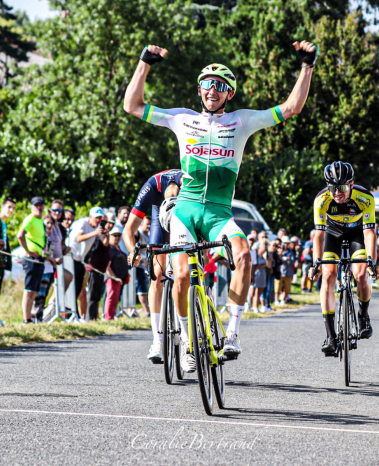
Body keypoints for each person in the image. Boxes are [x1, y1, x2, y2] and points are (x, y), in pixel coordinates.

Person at [124, 39, 315, 366]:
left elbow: (291, 108)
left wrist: (307, 66)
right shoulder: (181, 119)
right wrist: (145, 62)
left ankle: (233, 334)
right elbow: (133, 105)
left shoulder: (242, 120)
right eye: (206, 85)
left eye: (220, 85)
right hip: (185, 210)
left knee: (244, 256)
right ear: (199, 91)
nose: (212, 89)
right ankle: (185, 342)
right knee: (181, 276)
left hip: (218, 213)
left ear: (230, 93)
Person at [310, 162, 378, 355]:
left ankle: (363, 316)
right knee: (328, 276)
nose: (337, 193)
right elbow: (319, 235)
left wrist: (372, 259)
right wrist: (316, 262)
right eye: (332, 187)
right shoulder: (321, 200)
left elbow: (369, 233)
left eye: (341, 188)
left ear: (351, 184)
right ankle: (330, 336)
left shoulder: (364, 197)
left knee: (361, 273)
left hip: (357, 234)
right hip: (332, 234)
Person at [69, 207, 107, 320]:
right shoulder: (83, 223)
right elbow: (79, 238)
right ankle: (72, 315)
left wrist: (107, 235)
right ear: (90, 217)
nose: (98, 220)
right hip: (71, 258)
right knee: (74, 289)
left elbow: (105, 243)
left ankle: (75, 315)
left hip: (80, 260)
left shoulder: (97, 228)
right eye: (96, 218)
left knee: (79, 289)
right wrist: (95, 233)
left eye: (100, 218)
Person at [18, 197, 47, 323]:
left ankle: (29, 317)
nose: (39, 208)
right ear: (31, 207)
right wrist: (28, 251)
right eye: (36, 205)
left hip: (39, 258)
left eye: (41, 205)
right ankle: (26, 319)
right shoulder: (30, 218)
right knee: (29, 290)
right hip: (31, 259)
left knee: (34, 291)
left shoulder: (40, 220)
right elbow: (20, 235)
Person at [0, 198, 16, 300]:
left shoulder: (4, 223)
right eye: (9, 207)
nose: (11, 210)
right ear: (2, 207)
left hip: (2, 264)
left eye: (13, 208)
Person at [105, 226, 128, 321]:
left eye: (119, 235)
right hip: (112, 278)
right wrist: (114, 277)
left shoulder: (117, 248)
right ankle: (108, 317)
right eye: (115, 235)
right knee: (111, 298)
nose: (117, 237)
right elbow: (107, 266)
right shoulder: (110, 248)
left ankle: (112, 315)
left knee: (115, 299)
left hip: (118, 278)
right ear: (110, 236)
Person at [278, 236, 295, 305]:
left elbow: (293, 261)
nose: (286, 245)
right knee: (279, 287)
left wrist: (288, 261)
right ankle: (278, 299)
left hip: (288, 272)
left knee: (287, 287)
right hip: (280, 272)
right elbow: (278, 260)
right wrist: (285, 259)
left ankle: (283, 299)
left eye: (287, 243)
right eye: (285, 243)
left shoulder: (290, 252)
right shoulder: (279, 251)